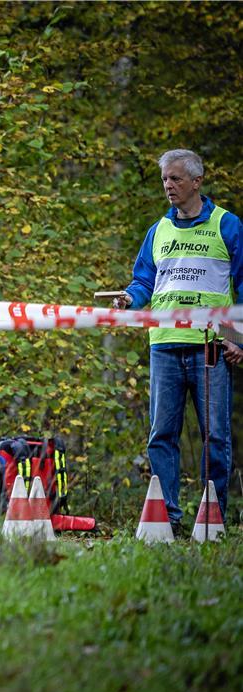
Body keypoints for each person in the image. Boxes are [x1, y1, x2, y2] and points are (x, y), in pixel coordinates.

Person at [114, 149, 243, 532]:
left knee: (215, 437)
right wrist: (129, 299)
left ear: (196, 182)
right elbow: (143, 282)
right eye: (165, 179)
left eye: (175, 179)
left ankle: (212, 519)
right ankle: (167, 518)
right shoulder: (158, 231)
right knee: (161, 435)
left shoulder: (228, 225)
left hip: (210, 347)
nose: (168, 186)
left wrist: (238, 338)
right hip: (165, 345)